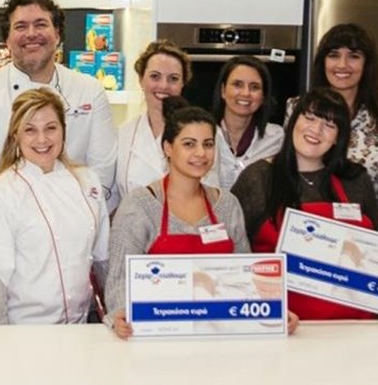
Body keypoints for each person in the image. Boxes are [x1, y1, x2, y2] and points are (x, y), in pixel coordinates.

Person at [106, 99, 276, 339]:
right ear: (168, 148)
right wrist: (120, 314)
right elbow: (119, 278)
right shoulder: (140, 205)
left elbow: (244, 278)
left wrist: (275, 315)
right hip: (157, 336)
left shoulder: (227, 205)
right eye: (189, 144)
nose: (200, 153)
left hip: (218, 336)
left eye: (208, 144)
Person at [232, 88, 378, 320]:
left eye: (329, 125)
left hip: (354, 325)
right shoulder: (258, 178)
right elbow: (236, 256)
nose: (316, 129)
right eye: (309, 118)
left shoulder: (355, 179)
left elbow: (375, 254)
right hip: (284, 322)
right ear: (294, 122)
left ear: (338, 138)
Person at [0, 89, 109, 325]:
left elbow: (103, 260)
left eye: (51, 128)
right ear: (16, 136)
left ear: (63, 131)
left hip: (80, 328)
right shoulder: (0, 194)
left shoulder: (87, 181)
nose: (42, 139)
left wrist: (115, 311)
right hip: (24, 333)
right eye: (30, 130)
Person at [0, 0, 117, 201]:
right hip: (6, 214)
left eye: (41, 24)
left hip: (75, 212)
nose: (31, 34)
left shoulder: (90, 90)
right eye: (20, 26)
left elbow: (102, 173)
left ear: (58, 35)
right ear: (7, 40)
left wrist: (61, 209)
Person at [289, 23, 378, 187]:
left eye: (353, 56)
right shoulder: (296, 108)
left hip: (368, 204)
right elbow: (286, 164)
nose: (342, 65)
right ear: (323, 62)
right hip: (302, 203)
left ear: (366, 65)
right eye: (334, 55)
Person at [113, 40, 191, 211]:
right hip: (135, 225)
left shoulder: (202, 134)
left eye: (173, 79)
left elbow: (212, 196)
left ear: (182, 84)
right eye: (155, 76)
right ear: (141, 80)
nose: (163, 85)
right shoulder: (123, 135)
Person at [207, 55, 283, 190]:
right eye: (237, 84)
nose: (246, 93)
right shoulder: (203, 134)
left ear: (263, 96)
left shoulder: (276, 138)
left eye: (254, 87)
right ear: (223, 90)